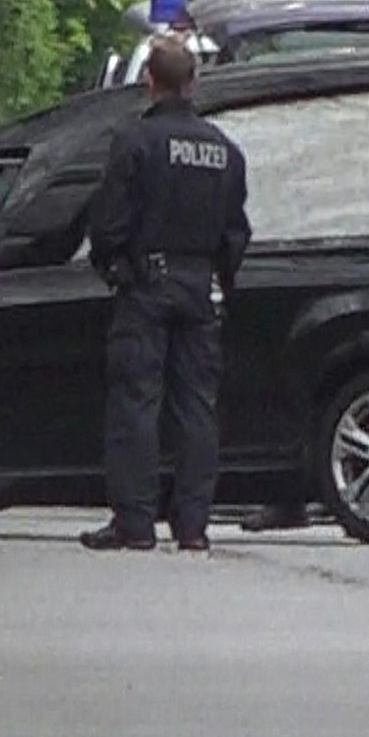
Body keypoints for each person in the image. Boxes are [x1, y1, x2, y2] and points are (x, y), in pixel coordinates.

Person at [79, 36, 251, 552]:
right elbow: (236, 231)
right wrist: (219, 275)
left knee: (136, 402)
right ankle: (193, 526)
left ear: (150, 82)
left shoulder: (136, 142)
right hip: (201, 287)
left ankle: (134, 523)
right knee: (197, 407)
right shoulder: (224, 150)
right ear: (193, 83)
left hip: (146, 287)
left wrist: (114, 268)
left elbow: (108, 223)